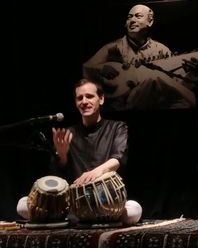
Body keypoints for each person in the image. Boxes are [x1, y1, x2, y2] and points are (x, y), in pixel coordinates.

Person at [17, 78, 142, 225]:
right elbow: (57, 176)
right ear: (76, 103)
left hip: (105, 201)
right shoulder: (69, 133)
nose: (84, 101)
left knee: (134, 209)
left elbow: (117, 159)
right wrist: (61, 156)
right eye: (79, 98)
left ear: (100, 99)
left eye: (89, 96)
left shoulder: (117, 128)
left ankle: (85, 218)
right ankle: (73, 217)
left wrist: (94, 173)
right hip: (75, 203)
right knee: (22, 204)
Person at [83, 3, 198, 111]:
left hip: (153, 104)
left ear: (150, 22)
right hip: (122, 104)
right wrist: (102, 68)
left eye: (138, 16)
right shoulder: (113, 47)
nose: (132, 20)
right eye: (129, 17)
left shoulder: (161, 50)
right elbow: (87, 67)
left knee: (174, 99)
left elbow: (176, 86)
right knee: (153, 77)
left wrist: (193, 74)